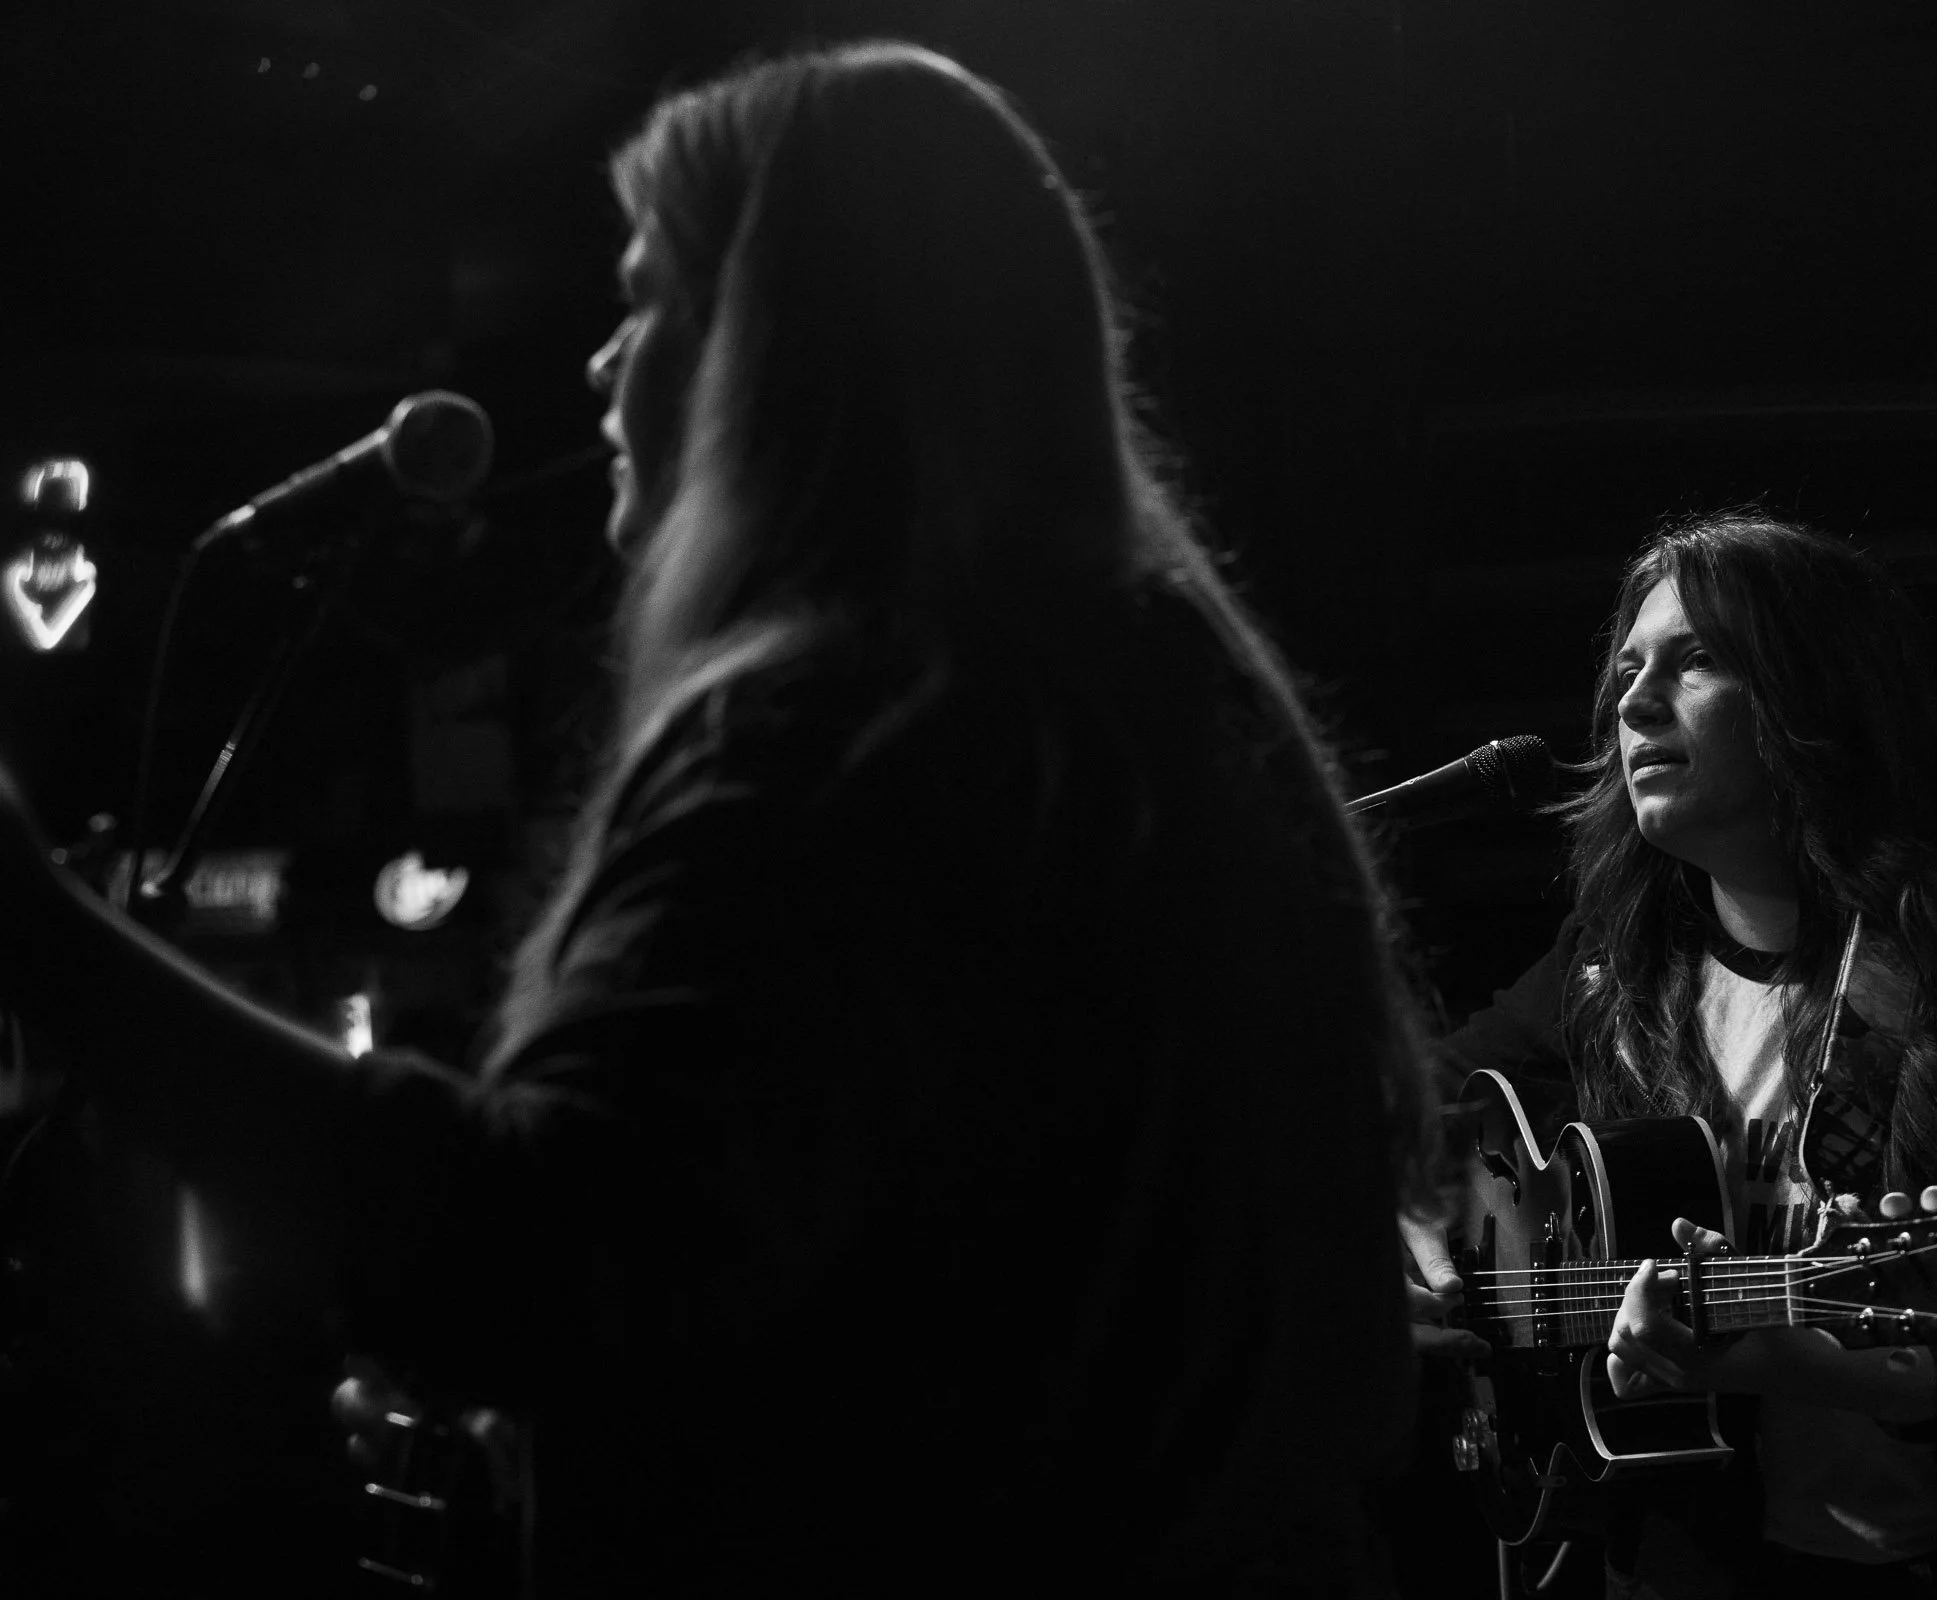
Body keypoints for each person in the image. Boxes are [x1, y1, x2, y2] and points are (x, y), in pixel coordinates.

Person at [0, 43, 1436, 1595]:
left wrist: (35, 931)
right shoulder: (1171, 715)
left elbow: (518, 1255)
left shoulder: (833, 731)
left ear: (781, 351)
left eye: (649, 301)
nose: (605, 370)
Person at [1409, 513, 1937, 1597]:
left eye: (1697, 660)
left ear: (1818, 695)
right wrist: (1424, 1247)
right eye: (1627, 668)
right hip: (1690, 1557)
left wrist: (1786, 1357)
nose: (1633, 703)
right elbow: (1413, 1108)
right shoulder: (1617, 964)